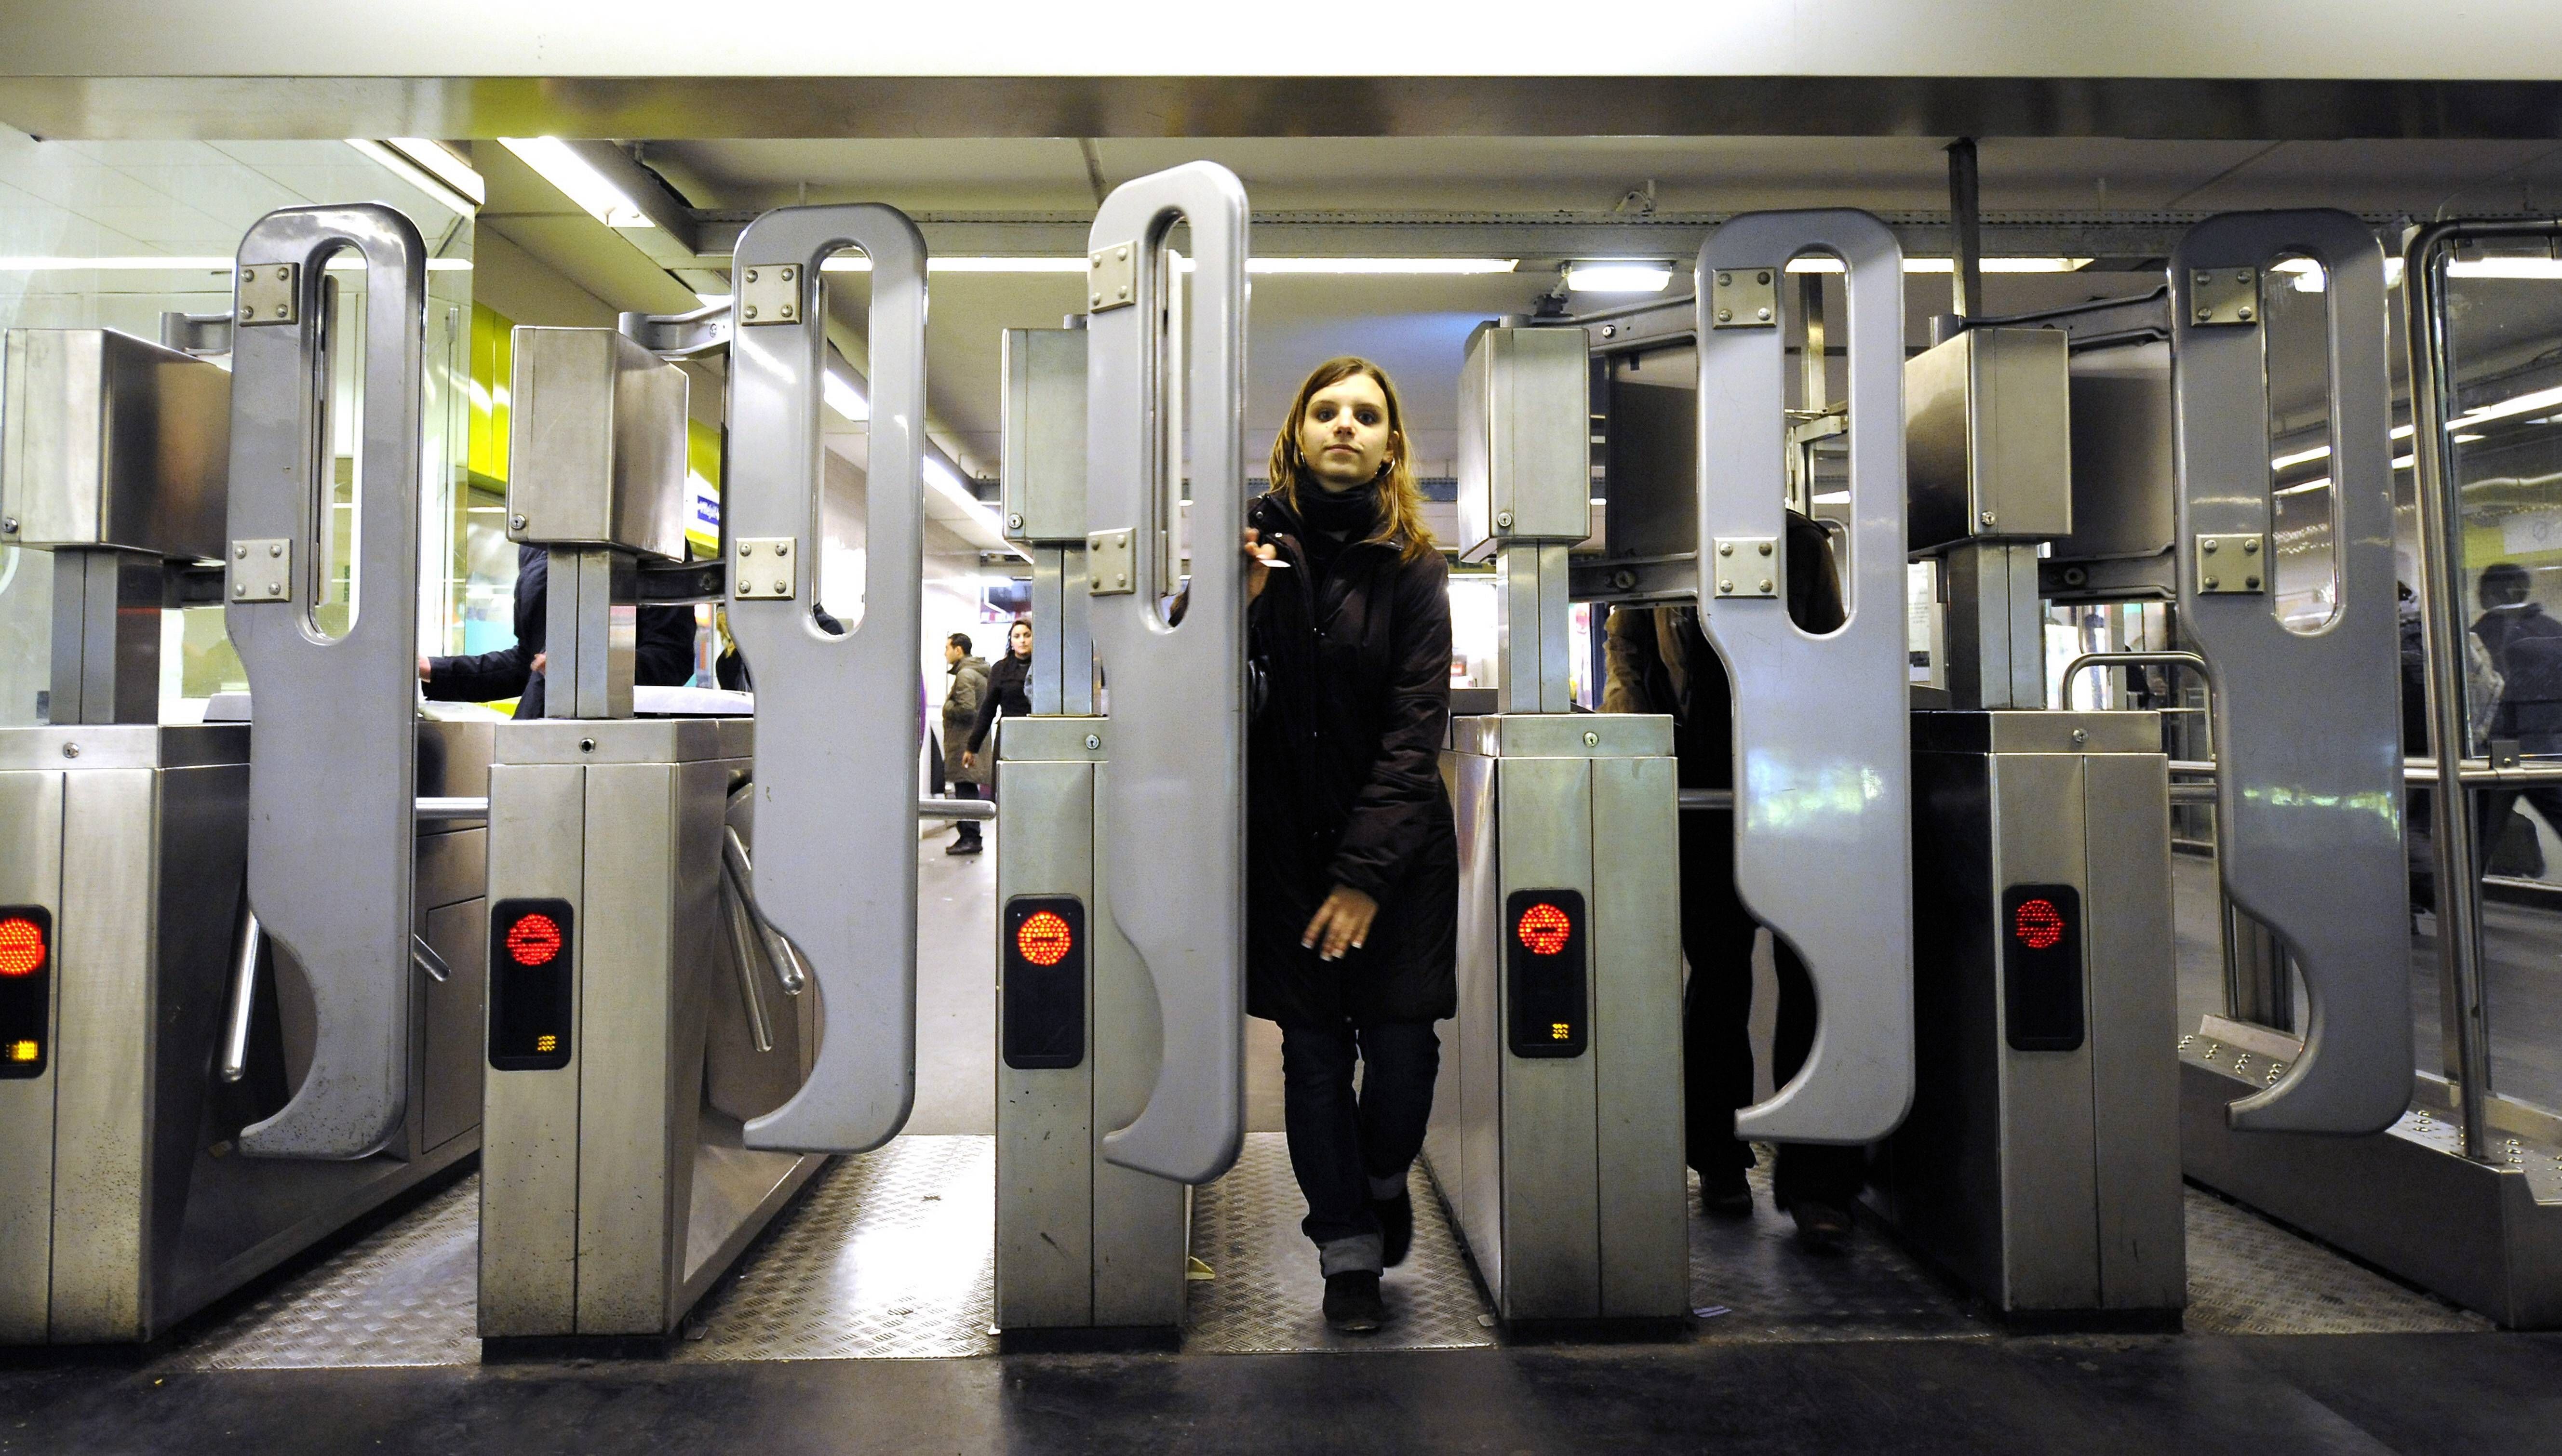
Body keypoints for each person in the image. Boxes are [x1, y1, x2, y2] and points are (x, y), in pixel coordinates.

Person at [1237, 357, 1458, 1335]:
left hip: (1396, 860)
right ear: (1296, 431)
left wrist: (1365, 876)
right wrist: (1233, 603)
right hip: (1286, 855)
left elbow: (1416, 730)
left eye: (1365, 414)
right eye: (1323, 409)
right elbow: (1192, 698)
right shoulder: (1247, 551)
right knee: (1315, 1056)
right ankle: (1346, 1250)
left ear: (1389, 443)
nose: (1343, 426)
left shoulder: (1411, 564)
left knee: (1403, 1052)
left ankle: (1379, 1175)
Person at [1601, 513, 1867, 1252]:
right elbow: (1628, 665)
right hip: (1698, 798)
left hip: (1792, 791)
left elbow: (1829, 658)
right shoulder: (1658, 536)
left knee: (1810, 975)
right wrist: (1637, 768)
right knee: (1717, 975)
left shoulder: (1800, 545)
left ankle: (1818, 1180)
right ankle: (1718, 1155)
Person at [420, 543, 697, 716]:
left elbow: (671, 657)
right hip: (535, 732)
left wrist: (589, 667)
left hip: (615, 737)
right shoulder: (535, 543)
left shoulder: (655, 537)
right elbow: (527, 662)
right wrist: (434, 669)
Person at [2468, 562, 2562, 877]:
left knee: (2479, 839)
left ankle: (2463, 910)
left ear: (2495, 592)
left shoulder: (2479, 636)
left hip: (2502, 749)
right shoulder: (2552, 629)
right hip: (2548, 744)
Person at [961, 617, 1033, 784]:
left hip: (1036, 734)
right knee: (1006, 785)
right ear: (1011, 640)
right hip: (1009, 735)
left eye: (1027, 635)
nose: (1022, 640)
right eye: (1017, 636)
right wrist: (973, 747)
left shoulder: (1045, 667)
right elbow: (988, 709)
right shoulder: (1001, 669)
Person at [941, 633, 992, 855]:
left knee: (966, 791)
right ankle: (969, 836)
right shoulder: (978, 673)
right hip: (971, 741)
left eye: (947, 648)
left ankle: (970, 838)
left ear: (958, 650)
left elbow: (966, 709)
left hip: (965, 743)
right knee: (967, 789)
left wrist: (946, 708)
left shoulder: (965, 674)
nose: (946, 653)